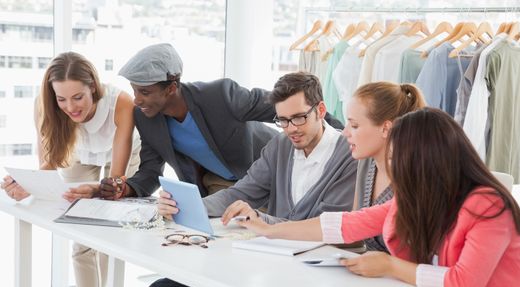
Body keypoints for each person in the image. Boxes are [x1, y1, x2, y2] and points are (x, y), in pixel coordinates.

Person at [240, 108, 520, 287]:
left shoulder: (486, 204)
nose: (393, 167)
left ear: (425, 159)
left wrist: (389, 265)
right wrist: (270, 229)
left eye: (396, 158)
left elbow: (462, 286)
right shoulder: (426, 198)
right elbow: (348, 224)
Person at [116, 72, 358, 287]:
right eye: (282, 120)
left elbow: (325, 227)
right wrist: (186, 206)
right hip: (269, 261)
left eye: (299, 118)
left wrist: (259, 220)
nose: (291, 128)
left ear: (321, 111)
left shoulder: (347, 156)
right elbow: (242, 191)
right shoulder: (280, 144)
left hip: (306, 273)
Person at [1, 52, 140, 287]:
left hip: (121, 160)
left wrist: (98, 192)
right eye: (61, 100)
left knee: (106, 225)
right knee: (82, 238)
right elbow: (48, 169)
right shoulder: (48, 105)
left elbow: (114, 184)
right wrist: (27, 187)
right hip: (82, 152)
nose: (70, 107)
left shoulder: (121, 103)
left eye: (77, 97)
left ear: (93, 87)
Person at [278, 81, 427, 287]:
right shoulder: (366, 164)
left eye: (355, 126)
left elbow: (422, 265)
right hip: (370, 284)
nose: (345, 132)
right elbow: (354, 232)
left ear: (386, 128)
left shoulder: (415, 181)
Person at [99, 43, 344, 200]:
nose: (137, 100)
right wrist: (126, 188)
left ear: (171, 87)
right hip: (218, 185)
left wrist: (343, 137)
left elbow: (284, 104)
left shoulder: (220, 96)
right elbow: (150, 173)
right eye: (134, 91)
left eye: (144, 92)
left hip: (265, 173)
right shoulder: (146, 118)